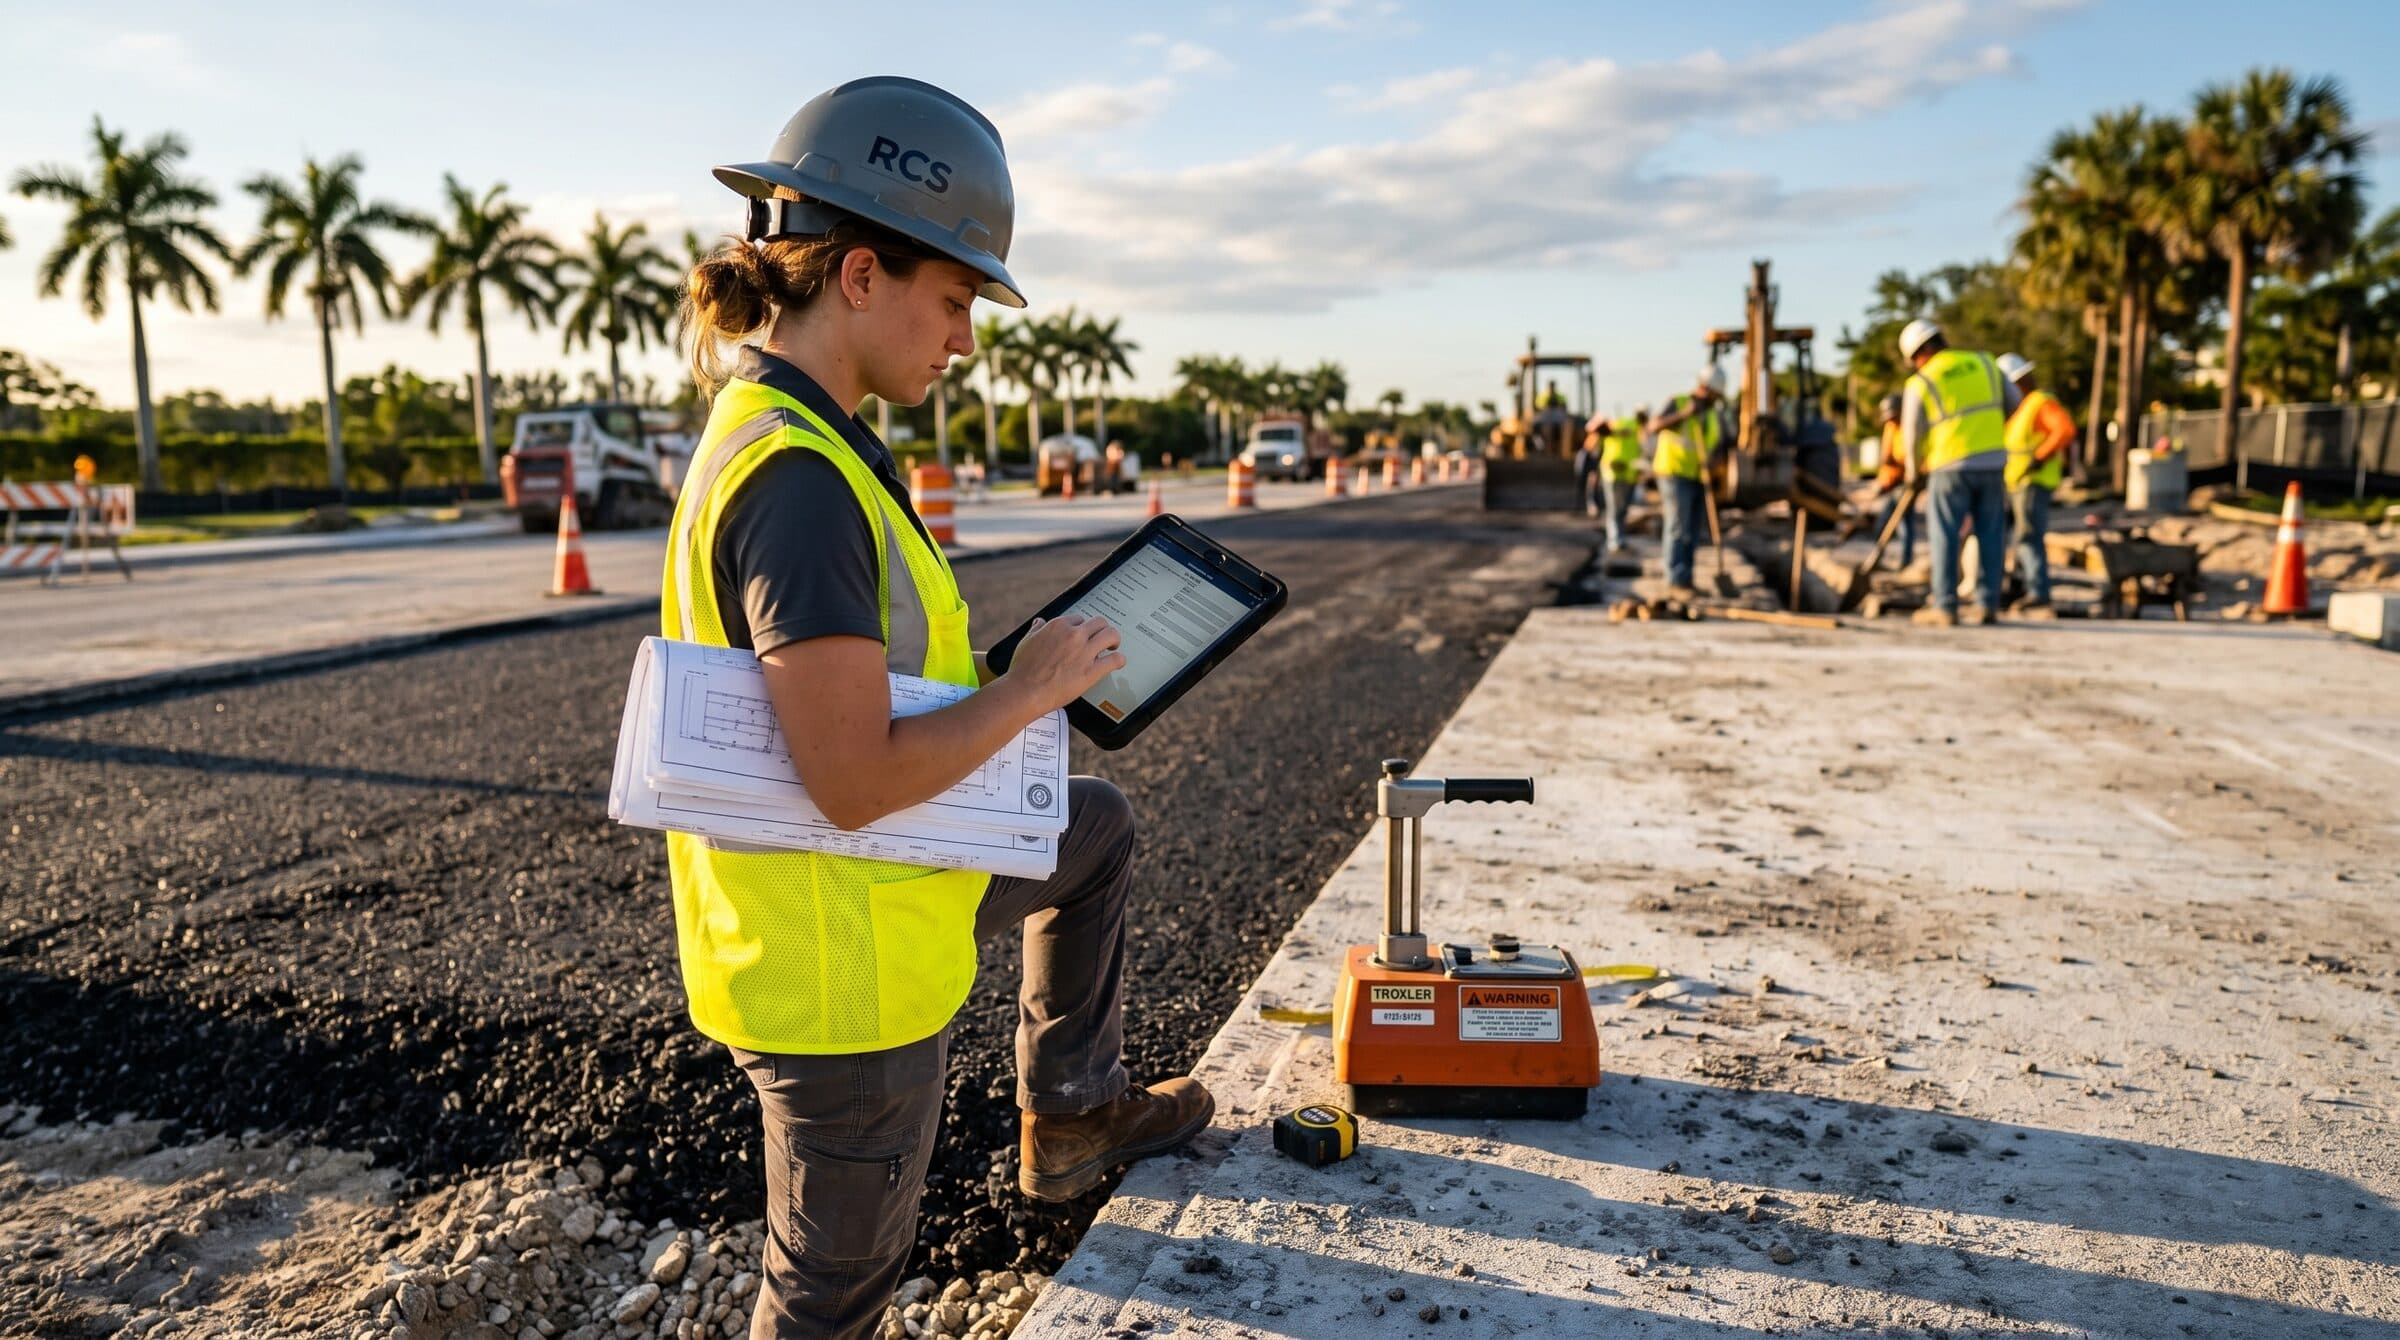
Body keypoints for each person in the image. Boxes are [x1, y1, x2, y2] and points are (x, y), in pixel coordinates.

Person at [671, 76, 1214, 1339]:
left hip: (874, 883)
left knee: (1093, 828)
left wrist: (1013, 694)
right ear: (860, 274)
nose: (965, 336)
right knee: (831, 1293)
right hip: (837, 964)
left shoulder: (805, 431)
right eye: (957, 297)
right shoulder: (800, 480)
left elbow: (868, 697)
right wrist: (1027, 692)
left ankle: (1072, 1110)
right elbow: (852, 777)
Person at [1895, 318, 2019, 626]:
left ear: (1917, 354)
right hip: (1992, 461)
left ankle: (1945, 605)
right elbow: (2014, 403)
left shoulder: (1922, 381)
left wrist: (1912, 470)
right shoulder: (1986, 362)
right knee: (1991, 534)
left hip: (1949, 465)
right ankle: (1988, 603)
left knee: (1945, 535)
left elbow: (1911, 432)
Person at [1997, 352, 2075, 616]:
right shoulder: (2019, 409)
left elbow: (2064, 430)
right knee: (2019, 538)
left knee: (2028, 536)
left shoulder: (2039, 402)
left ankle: (2038, 592)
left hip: (2033, 481)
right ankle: (2022, 587)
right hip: (2018, 482)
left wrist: (2040, 456)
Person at [1648, 367, 1731, 597]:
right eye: (1714, 394)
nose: (1716, 399)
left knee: (1693, 529)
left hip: (1697, 476)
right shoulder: (1679, 402)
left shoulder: (1714, 414)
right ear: (1703, 388)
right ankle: (1675, 579)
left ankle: (1687, 578)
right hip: (1674, 473)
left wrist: (1713, 462)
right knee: (1678, 525)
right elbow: (1653, 426)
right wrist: (1683, 414)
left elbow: (1718, 444)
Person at [1868, 394, 1920, 570]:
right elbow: (1886, 458)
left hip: (1906, 481)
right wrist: (1881, 482)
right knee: (1889, 521)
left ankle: (1905, 561)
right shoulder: (1891, 427)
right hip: (1891, 481)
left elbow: (1908, 456)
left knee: (1902, 521)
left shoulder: (1909, 427)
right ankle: (1879, 558)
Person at [1599, 408, 1647, 553]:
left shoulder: (1638, 431)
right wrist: (1617, 432)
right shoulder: (1625, 423)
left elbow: (1635, 452)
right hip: (1613, 471)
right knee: (1615, 509)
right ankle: (1615, 542)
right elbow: (1604, 431)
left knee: (1622, 509)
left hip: (1628, 474)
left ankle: (1619, 539)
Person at [1574, 417, 1604, 518]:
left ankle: (1595, 506)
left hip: (1596, 463)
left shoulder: (1600, 439)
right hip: (1590, 462)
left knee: (1594, 486)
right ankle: (1592, 506)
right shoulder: (1592, 438)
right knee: (1590, 485)